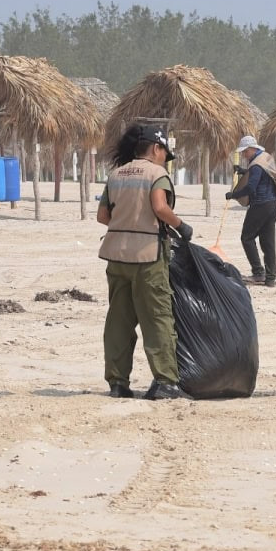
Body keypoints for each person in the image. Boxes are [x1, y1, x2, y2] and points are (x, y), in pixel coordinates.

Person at [97, 125, 191, 400]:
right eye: (165, 153)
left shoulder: (116, 174)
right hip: (147, 256)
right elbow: (160, 207)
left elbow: (103, 216)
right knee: (157, 318)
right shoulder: (156, 174)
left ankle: (117, 383)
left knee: (119, 320)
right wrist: (181, 226)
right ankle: (165, 382)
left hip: (115, 255)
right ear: (156, 148)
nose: (165, 160)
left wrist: (127, 222)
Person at [225, 135, 276, 287]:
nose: (243, 155)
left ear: (251, 149)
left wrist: (234, 195)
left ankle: (258, 272)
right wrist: (243, 171)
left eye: (244, 152)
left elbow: (251, 187)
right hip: (272, 205)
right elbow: (259, 175)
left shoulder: (255, 165)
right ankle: (271, 277)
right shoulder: (264, 158)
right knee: (268, 243)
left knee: (246, 238)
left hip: (260, 205)